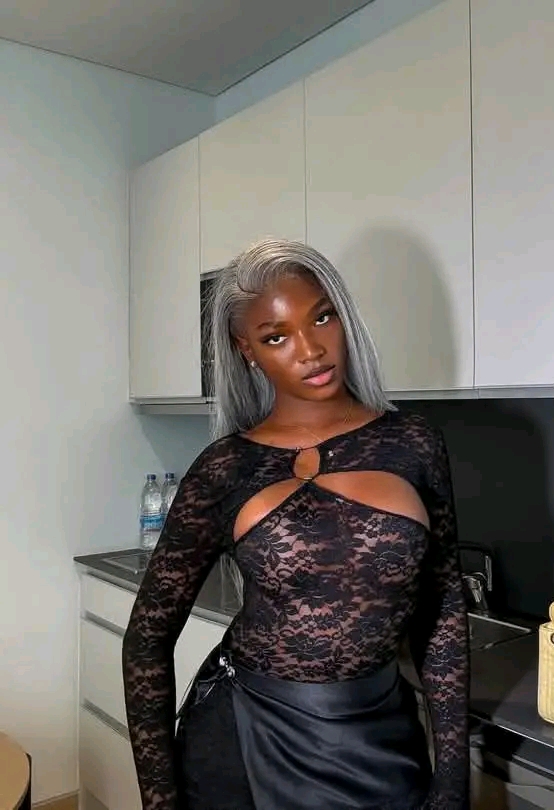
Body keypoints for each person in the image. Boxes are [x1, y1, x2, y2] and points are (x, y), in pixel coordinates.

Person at [122, 239, 469, 810]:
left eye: (322, 317)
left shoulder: (414, 443)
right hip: (242, 736)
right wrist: (160, 801)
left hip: (380, 735)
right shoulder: (226, 469)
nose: (310, 350)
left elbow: (443, 609)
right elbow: (146, 640)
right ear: (247, 350)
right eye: (276, 337)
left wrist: (453, 782)